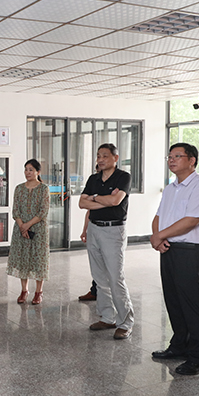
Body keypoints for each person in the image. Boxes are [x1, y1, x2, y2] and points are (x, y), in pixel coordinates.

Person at [150, 143, 199, 375]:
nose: (172, 160)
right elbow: (159, 216)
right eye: (170, 156)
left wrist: (160, 235)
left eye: (177, 156)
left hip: (192, 251)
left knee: (192, 304)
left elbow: (192, 220)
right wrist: (158, 237)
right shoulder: (171, 188)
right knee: (174, 301)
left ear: (192, 160)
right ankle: (179, 346)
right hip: (170, 249)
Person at [79, 143, 134, 340]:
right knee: (99, 277)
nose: (100, 159)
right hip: (94, 229)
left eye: (105, 156)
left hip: (113, 230)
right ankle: (107, 317)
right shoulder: (93, 179)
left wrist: (94, 199)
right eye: (98, 156)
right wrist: (102, 199)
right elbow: (82, 203)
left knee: (115, 277)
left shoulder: (123, 177)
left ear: (115, 158)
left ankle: (125, 322)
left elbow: (115, 201)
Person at [7, 159, 50, 305]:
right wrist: (22, 226)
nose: (27, 172)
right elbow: (15, 210)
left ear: (38, 172)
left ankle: (39, 292)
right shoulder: (19, 188)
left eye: (31, 170)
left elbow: (43, 211)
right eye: (26, 169)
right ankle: (24, 290)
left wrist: (28, 225)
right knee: (23, 258)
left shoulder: (44, 189)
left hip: (38, 229)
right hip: (21, 229)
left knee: (39, 259)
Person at [78, 211, 98, 301]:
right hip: (94, 229)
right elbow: (89, 211)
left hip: (110, 231)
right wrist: (84, 231)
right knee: (96, 264)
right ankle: (95, 291)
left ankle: (97, 292)